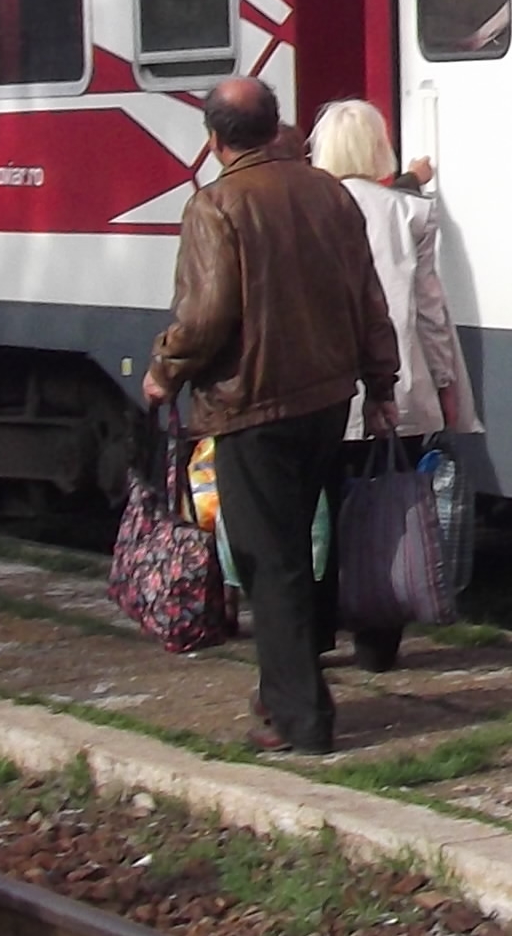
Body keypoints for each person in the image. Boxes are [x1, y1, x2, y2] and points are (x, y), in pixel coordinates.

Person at [140, 79, 396, 754]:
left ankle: (300, 718)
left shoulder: (216, 205)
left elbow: (204, 316)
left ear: (214, 140)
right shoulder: (329, 193)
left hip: (250, 406)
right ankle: (284, 686)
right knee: (302, 553)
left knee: (269, 559)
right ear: (276, 126)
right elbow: (367, 297)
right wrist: (381, 384)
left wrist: (165, 370)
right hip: (326, 398)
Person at [309, 97, 480, 671]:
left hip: (321, 391)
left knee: (318, 517)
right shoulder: (411, 214)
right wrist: (447, 381)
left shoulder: (304, 210)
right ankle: (378, 643)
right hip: (398, 389)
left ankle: (314, 633)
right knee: (389, 513)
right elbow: (431, 313)